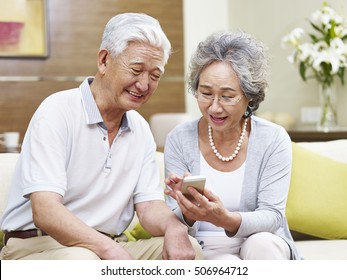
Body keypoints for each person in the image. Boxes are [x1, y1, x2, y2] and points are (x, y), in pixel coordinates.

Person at [0, 13, 203, 260]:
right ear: (104, 60)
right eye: (136, 70)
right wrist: (107, 250)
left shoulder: (139, 128)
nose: (143, 85)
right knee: (85, 262)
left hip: (109, 246)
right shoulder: (57, 111)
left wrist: (174, 227)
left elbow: (149, 207)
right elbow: (46, 211)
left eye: (154, 76)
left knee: (190, 248)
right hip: (40, 246)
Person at [164, 31, 300, 260]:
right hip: (201, 247)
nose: (214, 108)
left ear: (249, 96)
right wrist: (187, 212)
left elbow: (273, 215)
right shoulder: (179, 139)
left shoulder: (273, 139)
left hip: (258, 243)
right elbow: (172, 219)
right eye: (206, 93)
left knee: (263, 244)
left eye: (227, 96)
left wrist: (224, 219)